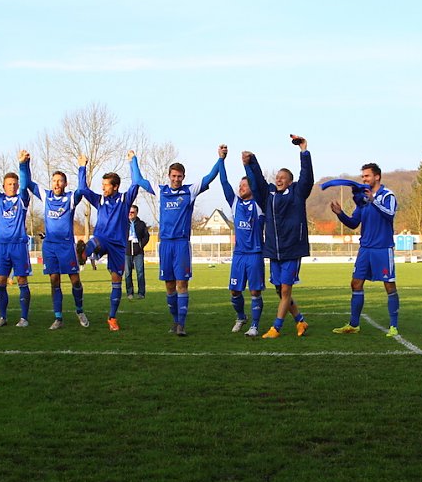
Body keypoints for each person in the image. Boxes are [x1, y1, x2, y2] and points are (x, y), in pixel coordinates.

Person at [133, 146, 224, 336]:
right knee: (169, 286)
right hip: (165, 244)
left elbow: (209, 177)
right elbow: (139, 181)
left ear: (183, 177)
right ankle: (175, 321)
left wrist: (221, 159)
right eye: (173, 176)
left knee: (182, 284)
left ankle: (181, 325)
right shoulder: (161, 191)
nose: (176, 179)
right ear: (169, 176)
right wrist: (132, 160)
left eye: (179, 176)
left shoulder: (190, 191)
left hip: (181, 244)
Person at [243, 135, 313, 339]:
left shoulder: (298, 192)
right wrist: (251, 162)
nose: (279, 179)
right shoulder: (269, 195)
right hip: (274, 250)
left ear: (290, 181)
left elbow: (307, 177)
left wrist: (304, 151)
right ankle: (301, 321)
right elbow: (257, 184)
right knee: (280, 291)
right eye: (277, 176)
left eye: (283, 177)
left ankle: (276, 328)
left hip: (292, 249)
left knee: (284, 291)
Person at [80, 150, 151, 331]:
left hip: (119, 247)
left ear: (116, 186)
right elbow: (82, 189)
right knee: (94, 241)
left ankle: (112, 318)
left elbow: (136, 183)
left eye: (106, 185)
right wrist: (82, 166)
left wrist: (132, 161)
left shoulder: (125, 200)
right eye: (102, 185)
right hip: (103, 239)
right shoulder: (99, 200)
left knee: (116, 281)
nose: (103, 188)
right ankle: (83, 254)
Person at [328, 163, 400, 337]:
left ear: (377, 177)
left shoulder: (387, 195)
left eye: (367, 176)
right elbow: (354, 223)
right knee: (356, 283)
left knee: (389, 285)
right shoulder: (362, 200)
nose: (364, 179)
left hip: (383, 248)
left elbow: (390, 214)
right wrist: (340, 213)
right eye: (363, 177)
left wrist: (373, 201)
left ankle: (393, 326)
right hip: (365, 249)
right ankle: (354, 324)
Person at [24, 159, 89, 330]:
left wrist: (82, 167)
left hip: (66, 247)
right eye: (54, 181)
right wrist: (24, 164)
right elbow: (28, 183)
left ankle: (79, 310)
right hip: (50, 247)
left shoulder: (70, 198)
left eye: (60, 181)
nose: (57, 184)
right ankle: (58, 318)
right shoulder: (46, 196)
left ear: (65, 183)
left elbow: (82, 189)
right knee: (54, 281)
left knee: (75, 280)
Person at [0, 149, 33, 327]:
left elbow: (26, 184)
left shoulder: (22, 199)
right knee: (1, 281)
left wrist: (22, 165)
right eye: (9, 184)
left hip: (19, 245)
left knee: (21, 280)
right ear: (3, 186)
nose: (12, 186)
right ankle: (2, 317)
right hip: (2, 246)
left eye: (14, 184)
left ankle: (24, 318)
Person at [218, 146, 265, 337]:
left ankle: (254, 325)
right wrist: (221, 160)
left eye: (244, 185)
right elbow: (223, 182)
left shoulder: (260, 204)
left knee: (255, 292)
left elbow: (254, 182)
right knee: (234, 292)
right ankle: (241, 317)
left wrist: (247, 166)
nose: (240, 187)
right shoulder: (235, 203)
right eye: (240, 185)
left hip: (254, 254)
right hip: (238, 255)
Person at [124, 204, 150, 300]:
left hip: (138, 252)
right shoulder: (123, 223)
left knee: (140, 273)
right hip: (126, 252)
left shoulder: (141, 224)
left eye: (132, 212)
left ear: (136, 213)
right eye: (129, 212)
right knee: (127, 273)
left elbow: (146, 237)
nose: (130, 214)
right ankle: (129, 293)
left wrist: (140, 245)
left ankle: (141, 293)